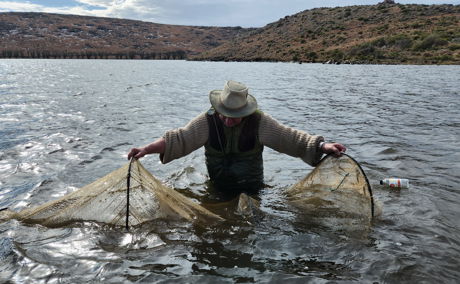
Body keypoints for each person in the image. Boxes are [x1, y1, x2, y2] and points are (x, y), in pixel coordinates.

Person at [128, 80, 346, 198]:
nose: (230, 121)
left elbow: (292, 139)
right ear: (218, 108)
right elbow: (178, 139)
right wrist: (145, 150)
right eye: (225, 115)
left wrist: (322, 145)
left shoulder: (260, 122)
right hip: (218, 187)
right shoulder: (206, 121)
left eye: (236, 117)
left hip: (252, 189)